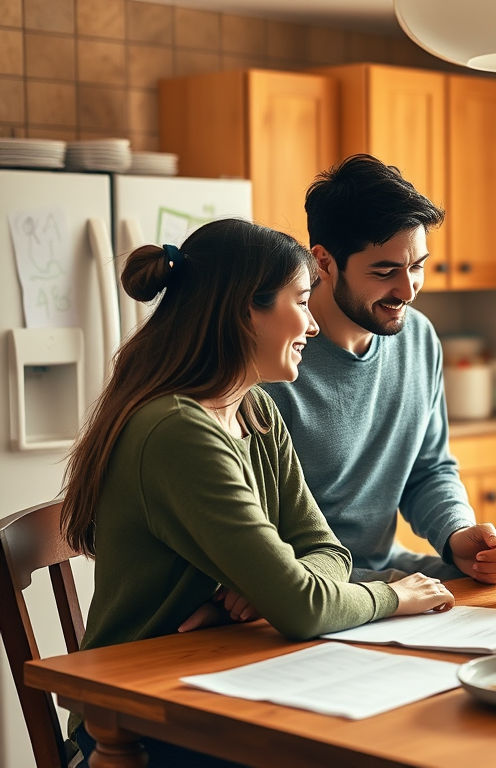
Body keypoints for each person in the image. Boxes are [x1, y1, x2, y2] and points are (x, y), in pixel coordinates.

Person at [61, 219, 455, 767]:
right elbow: (304, 605)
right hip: (138, 718)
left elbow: (328, 552)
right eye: (301, 300)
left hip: (215, 675)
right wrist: (395, 596)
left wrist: (269, 592)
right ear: (247, 309)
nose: (313, 325)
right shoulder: (179, 430)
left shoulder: (254, 409)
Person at [262, 155, 496, 584]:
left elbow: (429, 468)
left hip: (378, 572)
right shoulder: (273, 361)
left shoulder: (420, 339)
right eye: (385, 271)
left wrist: (456, 533)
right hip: (301, 587)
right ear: (324, 261)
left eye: (417, 266)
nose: (408, 289)